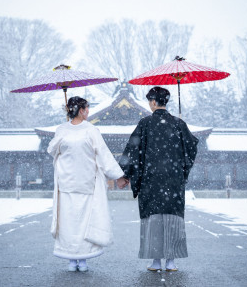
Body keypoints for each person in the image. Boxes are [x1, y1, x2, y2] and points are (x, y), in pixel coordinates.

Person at [119, 87, 199, 272]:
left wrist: (126, 174)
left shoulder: (145, 124)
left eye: (150, 101)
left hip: (150, 180)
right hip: (173, 180)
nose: (149, 105)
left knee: (153, 219)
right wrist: (181, 168)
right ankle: (171, 261)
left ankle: (155, 261)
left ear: (154, 102)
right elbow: (192, 147)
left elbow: (132, 150)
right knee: (173, 218)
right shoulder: (178, 124)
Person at [47, 96, 128, 272]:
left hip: (83, 182)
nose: (89, 112)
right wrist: (119, 177)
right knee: (72, 222)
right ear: (81, 110)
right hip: (69, 182)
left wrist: (117, 176)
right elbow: (53, 150)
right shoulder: (65, 130)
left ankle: (80, 258)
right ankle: (73, 257)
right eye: (87, 108)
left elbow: (103, 155)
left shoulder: (88, 130)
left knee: (78, 222)